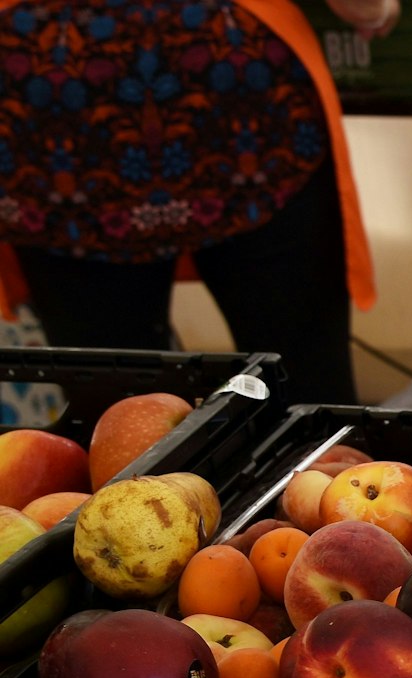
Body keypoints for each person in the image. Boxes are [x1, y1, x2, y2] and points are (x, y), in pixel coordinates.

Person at [0, 0, 385, 404]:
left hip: (55, 113)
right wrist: (372, 10)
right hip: (241, 107)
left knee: (117, 413)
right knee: (305, 400)